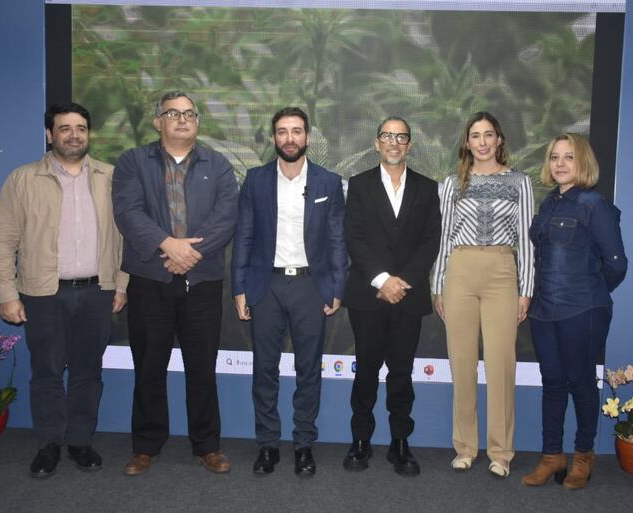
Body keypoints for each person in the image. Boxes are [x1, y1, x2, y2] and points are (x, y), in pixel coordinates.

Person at [0, 103, 128, 478]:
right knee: (47, 371)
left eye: (81, 128)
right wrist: (7, 292)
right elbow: (3, 241)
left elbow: (124, 238)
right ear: (50, 134)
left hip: (98, 291)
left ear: (89, 134)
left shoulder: (110, 177)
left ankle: (81, 442)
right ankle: (49, 444)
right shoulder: (23, 179)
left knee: (88, 371)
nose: (73, 135)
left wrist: (121, 284)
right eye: (64, 128)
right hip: (42, 292)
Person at [112, 90, 239, 476]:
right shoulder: (133, 162)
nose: (182, 120)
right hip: (151, 279)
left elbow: (226, 216)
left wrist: (190, 254)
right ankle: (146, 446)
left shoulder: (218, 165)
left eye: (189, 114)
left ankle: (207, 446)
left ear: (198, 122)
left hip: (201, 282)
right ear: (158, 121)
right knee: (149, 366)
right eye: (173, 113)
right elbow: (127, 212)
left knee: (202, 367)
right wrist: (168, 245)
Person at [231, 107, 347, 477]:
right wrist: (239, 288)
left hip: (311, 286)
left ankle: (303, 445)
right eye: (282, 132)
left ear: (307, 137)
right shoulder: (256, 180)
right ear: (273, 138)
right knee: (264, 370)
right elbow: (244, 236)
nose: (290, 138)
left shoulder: (328, 182)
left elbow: (337, 240)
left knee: (308, 370)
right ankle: (267, 445)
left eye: (296, 131)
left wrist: (336, 287)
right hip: (267, 286)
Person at [432, 111, 534, 478]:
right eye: (475, 135)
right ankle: (464, 447)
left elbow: (526, 241)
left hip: (502, 274)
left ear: (500, 140)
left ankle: (501, 452)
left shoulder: (520, 182)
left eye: (489, 134)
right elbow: (444, 238)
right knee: (461, 364)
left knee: (500, 364)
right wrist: (438, 283)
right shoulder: (451, 183)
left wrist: (527, 290)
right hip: (459, 272)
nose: (483, 142)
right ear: (467, 142)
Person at [522, 133, 626, 490]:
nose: (560, 163)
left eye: (569, 157)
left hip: (582, 310)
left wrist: (590, 294)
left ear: (583, 162)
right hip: (543, 311)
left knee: (581, 383)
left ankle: (583, 457)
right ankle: (552, 457)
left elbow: (616, 264)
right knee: (552, 383)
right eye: (554, 157)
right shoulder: (549, 203)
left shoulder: (594, 204)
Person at [343, 116, 441, 476]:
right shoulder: (358, 185)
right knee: (366, 371)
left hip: (409, 296)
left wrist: (402, 281)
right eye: (387, 136)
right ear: (377, 143)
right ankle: (361, 441)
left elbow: (432, 240)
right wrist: (383, 280)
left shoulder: (428, 188)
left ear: (409, 145)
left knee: (401, 373)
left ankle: (400, 444)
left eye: (401, 137)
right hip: (369, 296)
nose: (394, 142)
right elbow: (354, 238)